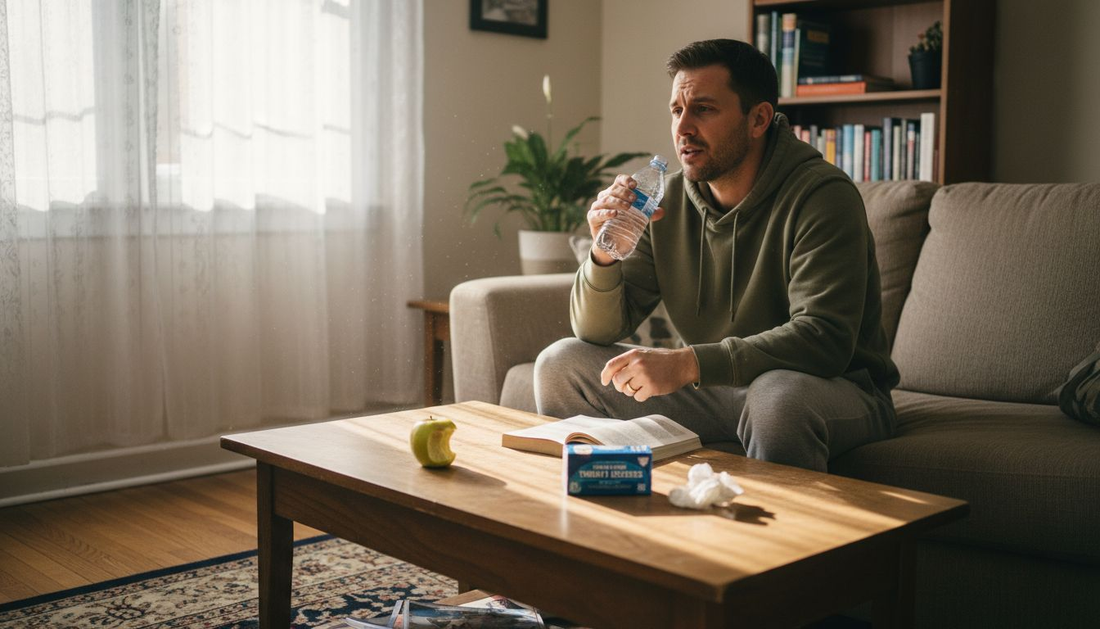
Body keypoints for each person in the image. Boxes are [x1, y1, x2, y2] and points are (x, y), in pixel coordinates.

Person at [533, 39, 899, 472]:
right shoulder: (665, 202)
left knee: (776, 399)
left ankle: (770, 520)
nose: (683, 128)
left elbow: (824, 339)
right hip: (717, 390)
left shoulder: (822, 196)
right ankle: (608, 506)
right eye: (677, 110)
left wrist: (689, 363)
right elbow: (597, 330)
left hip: (828, 389)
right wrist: (603, 253)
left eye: (703, 109)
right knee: (560, 365)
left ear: (758, 119)